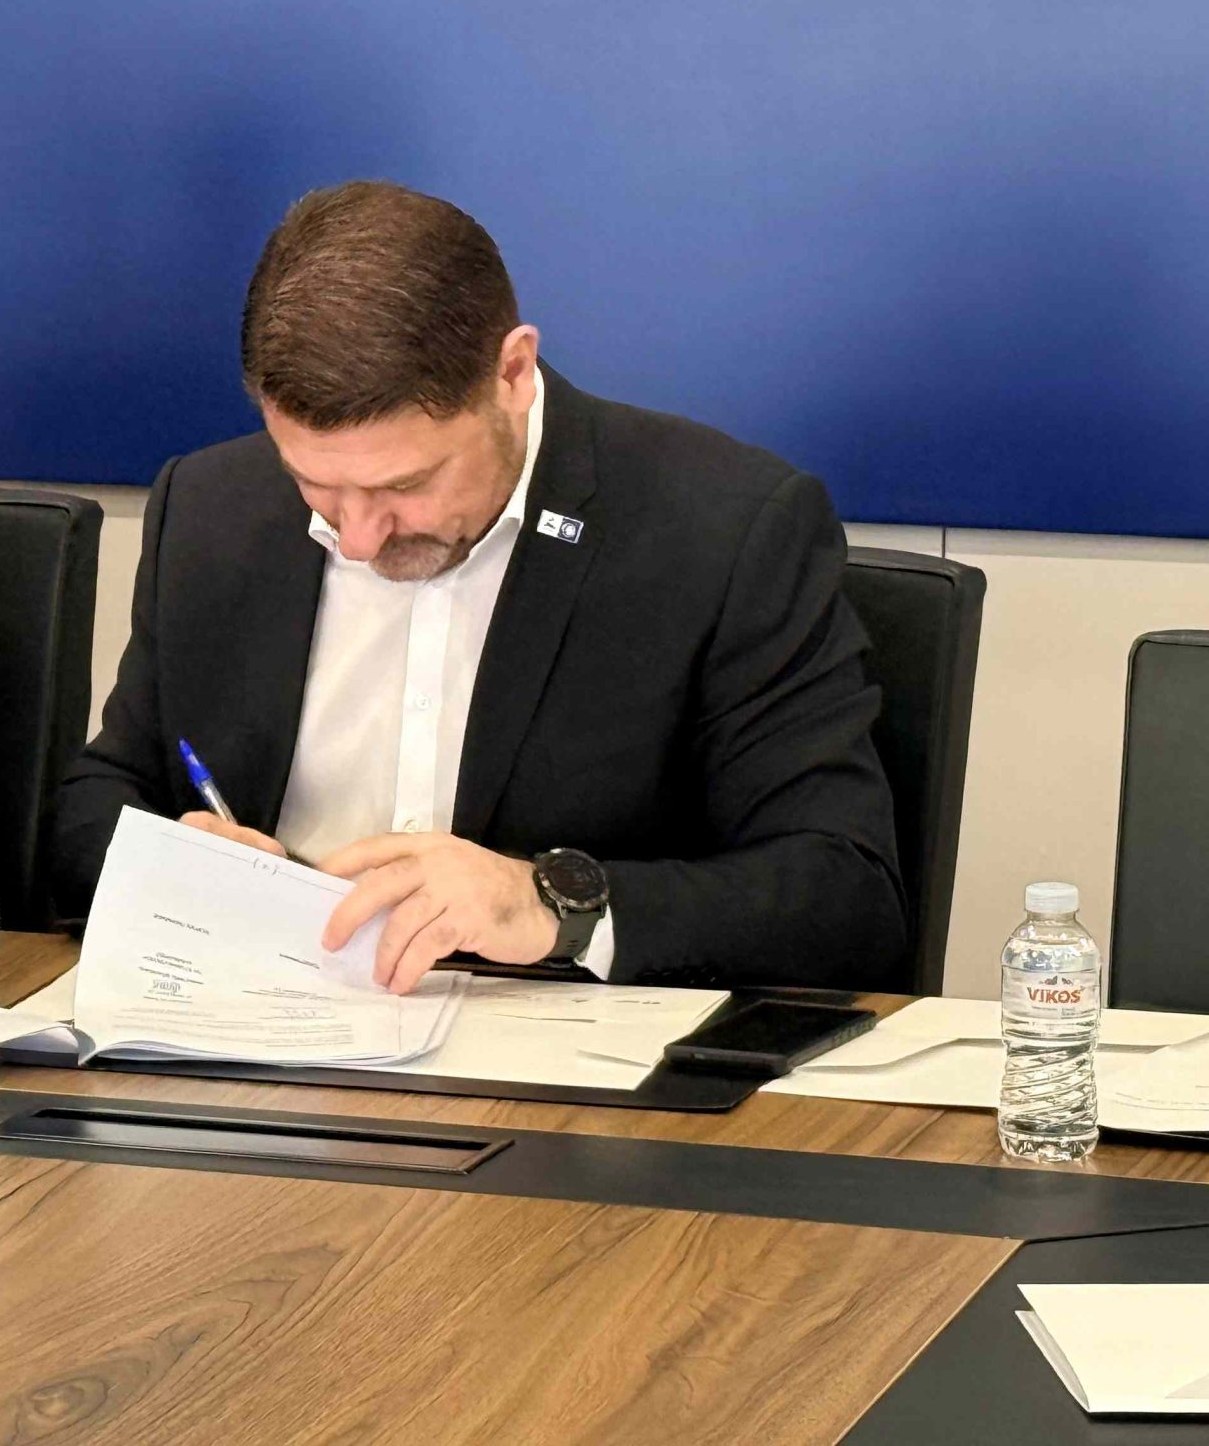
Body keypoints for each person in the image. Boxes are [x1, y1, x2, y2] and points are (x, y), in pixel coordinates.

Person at [52, 181, 906, 991]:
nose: (358, 538)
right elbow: (100, 798)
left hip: (570, 1064)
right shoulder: (210, 506)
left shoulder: (726, 529)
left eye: (404, 485)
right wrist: (171, 863)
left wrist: (553, 905)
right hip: (253, 1032)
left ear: (513, 373)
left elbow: (845, 896)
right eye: (315, 483)